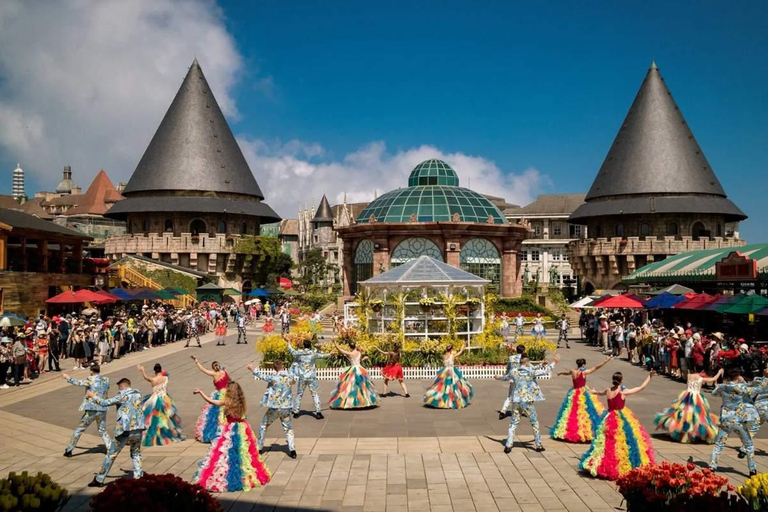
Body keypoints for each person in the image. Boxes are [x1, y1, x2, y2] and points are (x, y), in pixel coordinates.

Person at [192, 381, 271, 491]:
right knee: (244, 454)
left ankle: (227, 476)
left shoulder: (227, 401)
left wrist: (201, 392)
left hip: (230, 429)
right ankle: (246, 474)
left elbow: (212, 401)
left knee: (226, 453)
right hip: (242, 428)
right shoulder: (241, 402)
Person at [579, 371, 655, 480]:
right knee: (624, 441)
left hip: (609, 417)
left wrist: (593, 391)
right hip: (620, 417)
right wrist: (649, 376)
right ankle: (621, 464)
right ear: (621, 380)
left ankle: (602, 464)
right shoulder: (623, 392)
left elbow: (600, 393)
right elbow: (641, 387)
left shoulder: (608, 390)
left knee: (606, 442)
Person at [87, 378, 146, 487]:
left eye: (119, 388)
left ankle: (99, 479)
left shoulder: (122, 395)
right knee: (136, 453)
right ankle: (139, 477)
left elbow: (105, 402)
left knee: (111, 454)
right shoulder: (138, 393)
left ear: (122, 387)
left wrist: (92, 396)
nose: (118, 390)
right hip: (138, 429)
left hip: (125, 431)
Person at [495, 354, 560, 453]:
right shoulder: (530, 372)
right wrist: (554, 362)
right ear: (526, 363)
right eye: (529, 362)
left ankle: (508, 445)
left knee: (513, 423)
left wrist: (497, 377)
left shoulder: (514, 371)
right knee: (534, 422)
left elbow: (505, 377)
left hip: (516, 400)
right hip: (527, 401)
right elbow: (545, 371)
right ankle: (538, 445)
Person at [709, 368, 759, 476]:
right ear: (738, 376)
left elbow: (713, 393)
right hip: (739, 420)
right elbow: (753, 392)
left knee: (719, 444)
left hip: (726, 419)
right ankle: (752, 469)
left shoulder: (723, 387)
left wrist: (720, 386)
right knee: (748, 444)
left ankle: (712, 466)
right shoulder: (742, 387)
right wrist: (744, 382)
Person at [653, 368, 722, 443]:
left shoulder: (689, 375)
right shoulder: (700, 378)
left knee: (683, 414)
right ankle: (691, 433)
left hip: (687, 395)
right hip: (696, 396)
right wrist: (719, 372)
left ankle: (683, 433)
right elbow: (713, 379)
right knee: (696, 416)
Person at [551, 357, 611, 443]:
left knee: (572, 411)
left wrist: (560, 373)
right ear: (584, 364)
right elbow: (596, 367)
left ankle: (570, 430)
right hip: (582, 392)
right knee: (586, 411)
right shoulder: (584, 372)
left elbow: (566, 373)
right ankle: (585, 431)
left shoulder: (573, 371)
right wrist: (605, 361)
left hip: (574, 392)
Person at [248, 360, 298, 458]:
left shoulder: (273, 377)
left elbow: (261, 375)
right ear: (283, 366)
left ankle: (260, 447)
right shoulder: (289, 377)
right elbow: (294, 379)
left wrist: (252, 369)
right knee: (288, 429)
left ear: (274, 368)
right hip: (286, 407)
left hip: (275, 408)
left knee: (263, 425)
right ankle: (292, 450)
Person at [63, 365, 111, 456]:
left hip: (91, 408)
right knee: (102, 430)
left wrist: (67, 377)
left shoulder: (90, 379)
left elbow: (79, 383)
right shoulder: (106, 380)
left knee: (79, 429)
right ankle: (109, 447)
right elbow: (106, 390)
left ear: (91, 371)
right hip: (102, 407)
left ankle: (69, 449)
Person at [138, 363, 185, 446]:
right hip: (165, 398)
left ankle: (155, 433)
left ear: (154, 371)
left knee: (153, 417)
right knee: (167, 416)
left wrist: (142, 370)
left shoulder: (153, 379)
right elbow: (166, 389)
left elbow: (145, 377)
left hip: (155, 398)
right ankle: (170, 432)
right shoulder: (165, 378)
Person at [288, 338, 330, 419]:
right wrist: (330, 354)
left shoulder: (300, 353)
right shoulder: (313, 353)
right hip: (311, 377)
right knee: (315, 394)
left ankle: (296, 412)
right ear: (310, 346)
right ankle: (318, 412)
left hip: (302, 377)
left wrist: (289, 342)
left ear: (304, 346)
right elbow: (323, 356)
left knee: (299, 395)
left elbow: (291, 351)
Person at [329, 341, 379, 409]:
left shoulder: (350, 353)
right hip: (360, 368)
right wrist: (364, 359)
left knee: (350, 385)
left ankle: (351, 401)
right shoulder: (359, 352)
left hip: (353, 368)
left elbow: (340, 350)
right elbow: (360, 361)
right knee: (362, 385)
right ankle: (365, 400)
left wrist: (334, 343)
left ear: (350, 347)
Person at [191, 355, 230, 443]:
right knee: (222, 414)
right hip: (227, 393)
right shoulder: (224, 372)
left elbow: (202, 370)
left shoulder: (214, 373)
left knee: (215, 415)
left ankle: (218, 432)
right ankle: (225, 431)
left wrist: (196, 360)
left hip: (219, 395)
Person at [424, 343, 473, 409]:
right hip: (452, 372)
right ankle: (451, 402)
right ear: (451, 349)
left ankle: (442, 401)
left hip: (445, 372)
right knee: (453, 387)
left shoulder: (444, 356)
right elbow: (460, 352)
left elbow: (444, 364)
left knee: (442, 387)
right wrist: (463, 346)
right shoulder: (452, 356)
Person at [499, 344, 526, 419]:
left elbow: (508, 368)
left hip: (512, 379)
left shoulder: (511, 358)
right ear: (523, 351)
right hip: (521, 380)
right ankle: (521, 410)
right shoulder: (524, 359)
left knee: (510, 396)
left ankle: (503, 410)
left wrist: (506, 375)